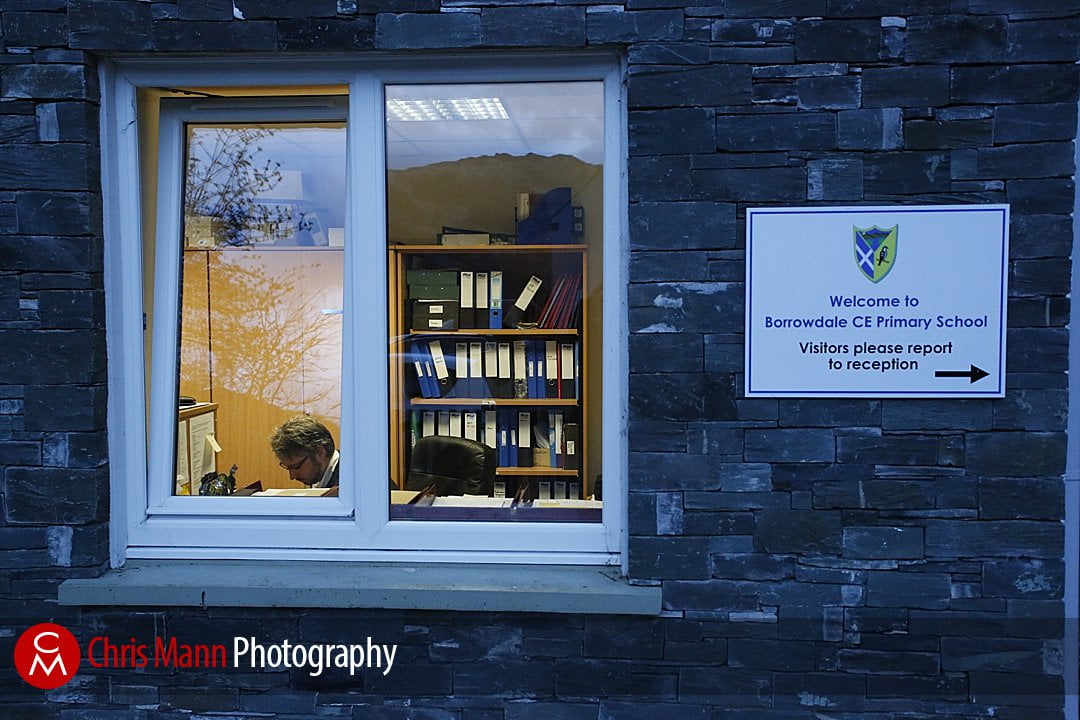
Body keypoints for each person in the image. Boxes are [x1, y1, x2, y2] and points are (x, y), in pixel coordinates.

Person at [269, 415, 339, 488]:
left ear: (319, 452)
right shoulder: (320, 476)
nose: (292, 476)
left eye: (296, 467)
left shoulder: (347, 486)